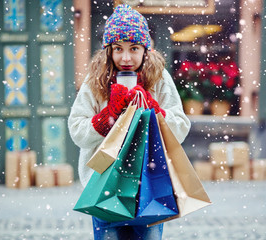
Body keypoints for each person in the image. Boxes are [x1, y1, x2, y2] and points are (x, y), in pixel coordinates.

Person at [68, 4, 191, 240]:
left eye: (134, 48)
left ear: (146, 49)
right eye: (118, 49)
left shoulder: (159, 78)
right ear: (108, 51)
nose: (126, 58)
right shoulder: (95, 80)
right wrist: (107, 117)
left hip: (150, 185)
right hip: (105, 185)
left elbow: (181, 126)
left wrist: (155, 112)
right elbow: (76, 130)